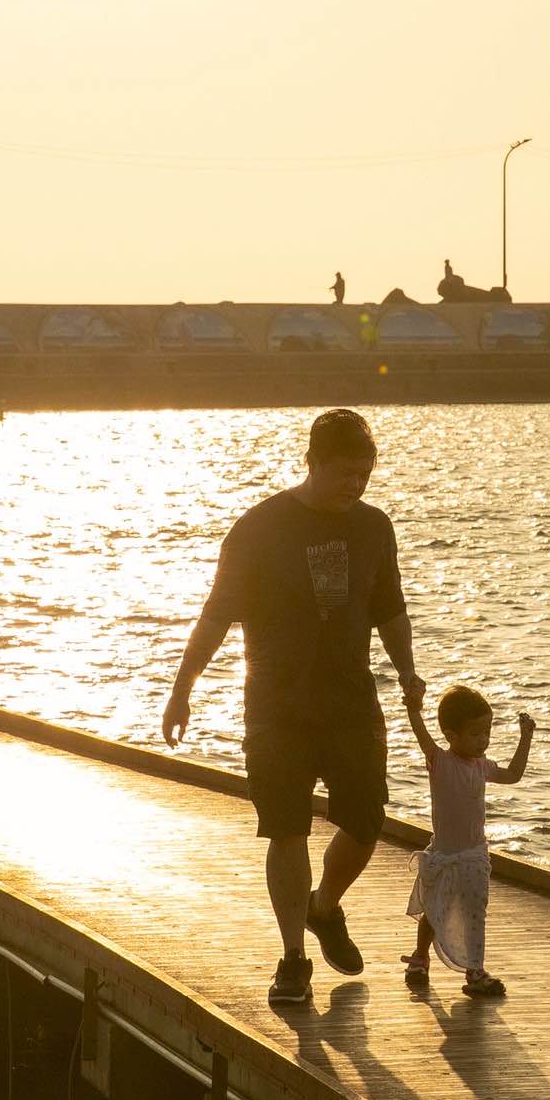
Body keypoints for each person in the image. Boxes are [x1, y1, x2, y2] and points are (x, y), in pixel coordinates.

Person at [163, 409, 423, 1009]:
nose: (355, 485)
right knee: (286, 829)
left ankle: (324, 907)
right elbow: (215, 614)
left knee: (365, 822)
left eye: (365, 474)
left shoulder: (374, 527)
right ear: (312, 462)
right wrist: (183, 689)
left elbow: (390, 607)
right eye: (345, 473)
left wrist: (407, 668)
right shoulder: (260, 528)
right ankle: (293, 958)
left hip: (351, 700)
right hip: (276, 705)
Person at [402, 686, 533, 998]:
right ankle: (420, 958)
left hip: (474, 855)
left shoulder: (482, 766)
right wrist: (413, 708)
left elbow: (513, 774)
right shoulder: (440, 761)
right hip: (444, 853)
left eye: (486, 732)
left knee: (476, 911)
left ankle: (475, 970)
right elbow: (421, 735)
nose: (483, 740)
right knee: (434, 909)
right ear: (451, 735)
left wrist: (525, 737)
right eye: (475, 734)